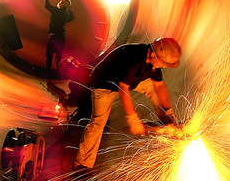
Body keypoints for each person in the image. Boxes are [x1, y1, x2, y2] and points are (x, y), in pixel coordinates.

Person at [73, 37, 181, 170]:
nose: (164, 66)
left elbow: (159, 86)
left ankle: (167, 121)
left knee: (153, 88)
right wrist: (133, 119)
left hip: (130, 81)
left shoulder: (152, 62)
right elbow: (123, 89)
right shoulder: (133, 59)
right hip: (103, 84)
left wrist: (168, 110)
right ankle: (82, 164)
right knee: (98, 122)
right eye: (164, 63)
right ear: (154, 55)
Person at [44, 0, 74, 72]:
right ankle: (58, 73)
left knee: (49, 57)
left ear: (63, 4)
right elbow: (71, 17)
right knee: (58, 58)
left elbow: (47, 5)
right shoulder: (66, 14)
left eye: (61, 2)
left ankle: (47, 73)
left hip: (53, 37)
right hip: (61, 38)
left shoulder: (56, 11)